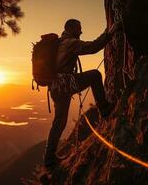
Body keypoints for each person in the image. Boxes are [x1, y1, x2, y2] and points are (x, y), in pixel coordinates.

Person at [43, 19, 119, 169]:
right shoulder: (71, 42)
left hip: (56, 87)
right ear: (72, 29)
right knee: (95, 75)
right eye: (79, 29)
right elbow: (93, 47)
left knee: (59, 121)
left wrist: (106, 32)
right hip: (65, 84)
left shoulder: (61, 42)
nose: (81, 32)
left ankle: (49, 159)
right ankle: (104, 109)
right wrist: (110, 33)